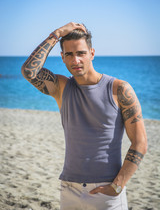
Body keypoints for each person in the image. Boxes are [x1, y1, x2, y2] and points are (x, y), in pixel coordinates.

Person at [21, 22, 147, 210]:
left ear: (92, 53)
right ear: (62, 57)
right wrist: (56, 34)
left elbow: (140, 142)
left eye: (81, 53)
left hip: (106, 190)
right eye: (69, 54)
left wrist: (118, 185)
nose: (76, 60)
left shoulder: (119, 89)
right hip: (69, 188)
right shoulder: (62, 87)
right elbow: (29, 71)